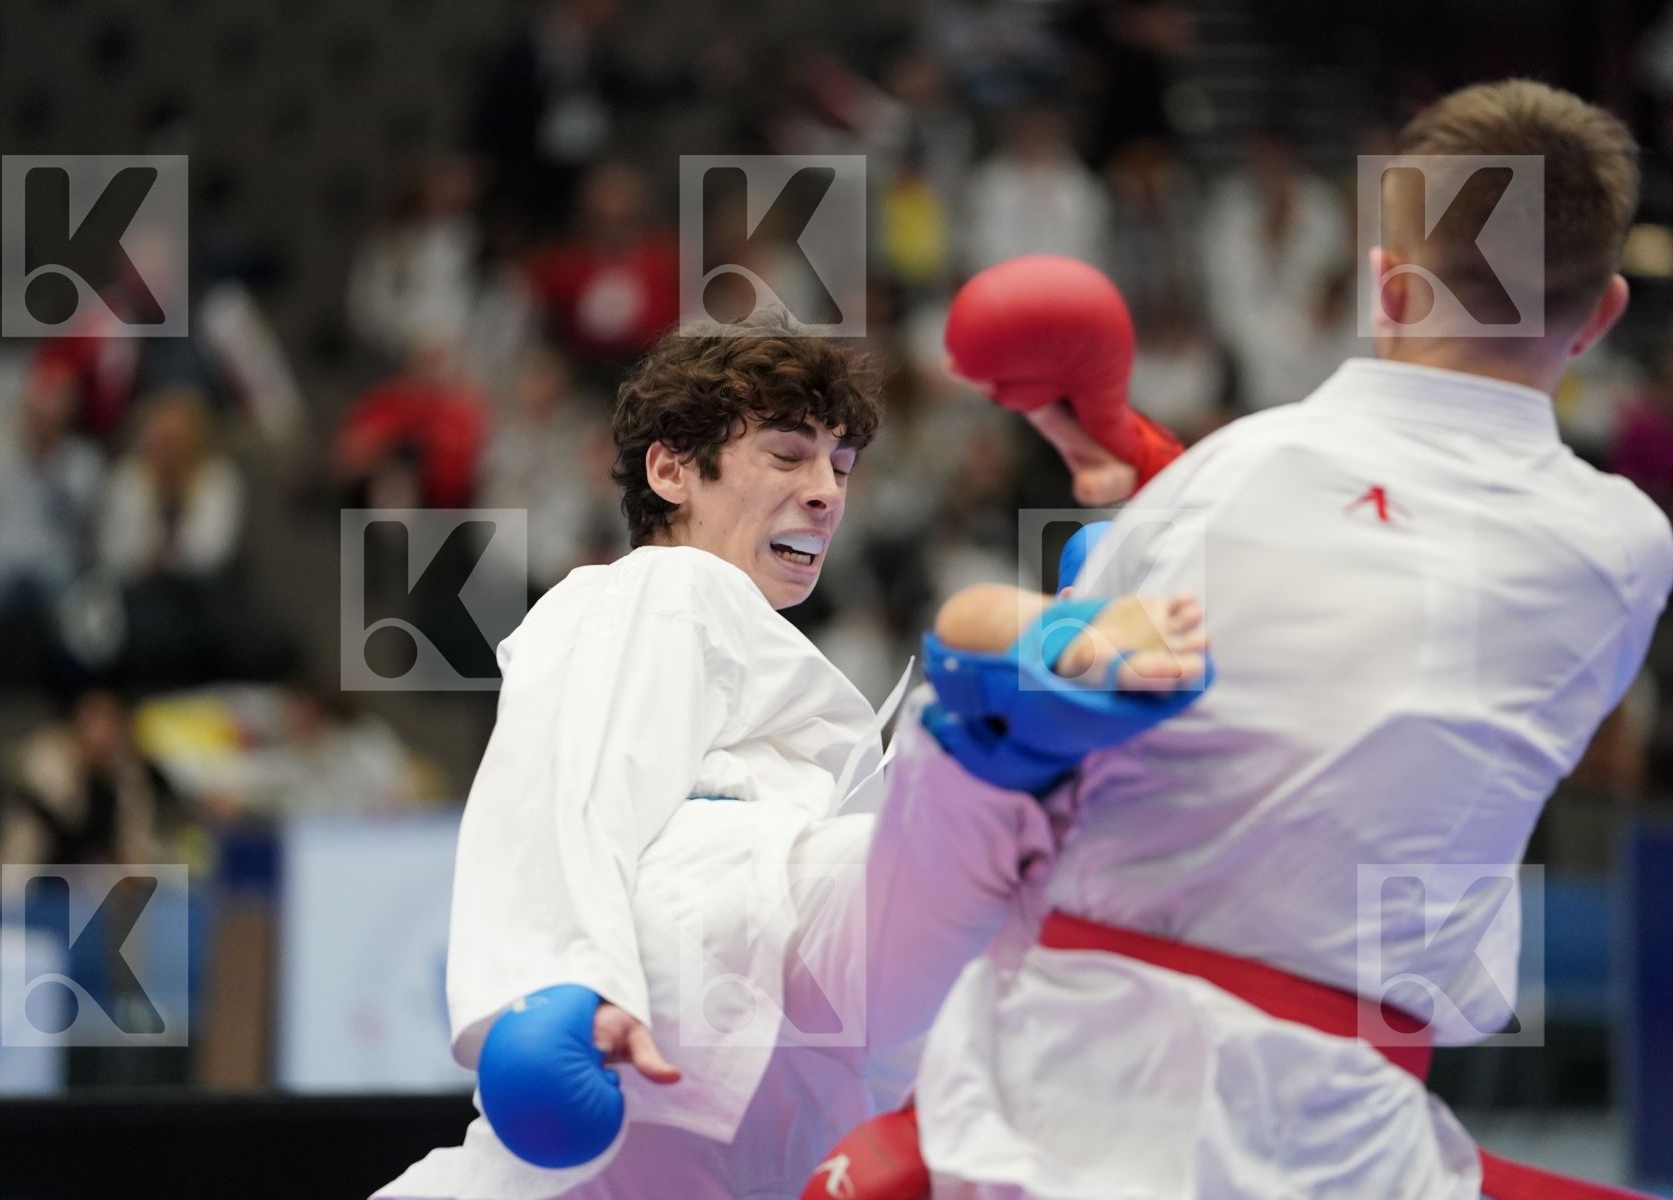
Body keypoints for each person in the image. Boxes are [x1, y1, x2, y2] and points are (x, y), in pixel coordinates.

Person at [820, 81, 1672, 1199]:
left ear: (1386, 285)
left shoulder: (1231, 477)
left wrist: (1151, 492)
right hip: (1344, 1136)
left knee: (1040, 674)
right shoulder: (1624, 549)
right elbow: (1396, 596)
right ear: (1602, 313)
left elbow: (1210, 624)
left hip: (1050, 1094)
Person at [373, 319, 1209, 1200]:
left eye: (841, 469)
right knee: (921, 874)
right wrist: (558, 987)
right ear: (671, 472)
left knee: (951, 912)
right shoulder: (661, 588)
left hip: (757, 1127)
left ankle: (1024, 731)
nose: (827, 495)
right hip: (674, 1008)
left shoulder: (775, 675)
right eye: (787, 456)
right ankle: (1011, 727)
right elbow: (571, 783)